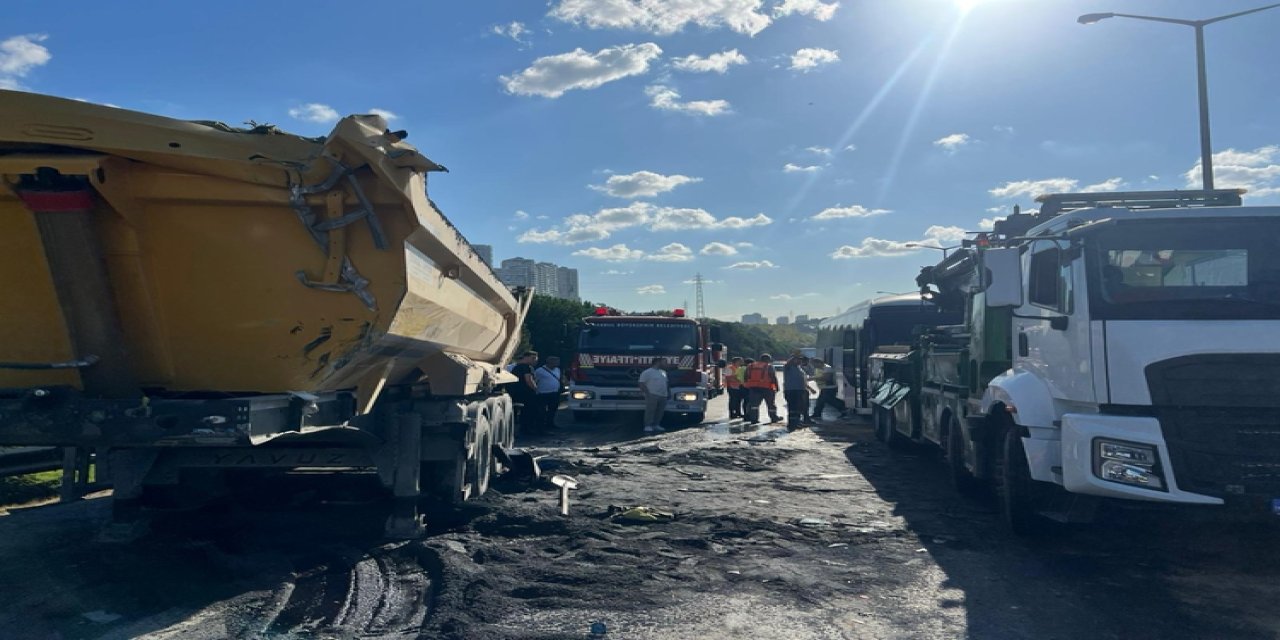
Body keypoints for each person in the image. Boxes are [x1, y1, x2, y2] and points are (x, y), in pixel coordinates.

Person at [508, 351, 540, 434]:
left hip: (517, 393)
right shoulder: (526, 367)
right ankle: (526, 429)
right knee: (528, 412)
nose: (535, 360)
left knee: (523, 412)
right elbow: (528, 380)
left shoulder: (516, 367)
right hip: (526, 394)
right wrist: (535, 389)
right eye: (533, 358)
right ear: (526, 357)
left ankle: (524, 428)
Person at [743, 354, 781, 424]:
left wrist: (747, 385)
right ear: (768, 360)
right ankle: (773, 418)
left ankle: (754, 419)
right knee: (770, 404)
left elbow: (745, 377)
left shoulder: (750, 366)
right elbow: (773, 377)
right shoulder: (769, 366)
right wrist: (777, 387)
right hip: (767, 388)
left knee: (754, 405)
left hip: (753, 388)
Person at [783, 354, 817, 430]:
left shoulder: (800, 369)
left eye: (800, 359)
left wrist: (809, 389)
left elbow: (804, 381)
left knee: (798, 408)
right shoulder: (788, 367)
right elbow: (788, 363)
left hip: (800, 391)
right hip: (791, 390)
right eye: (797, 359)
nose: (800, 361)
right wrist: (795, 355)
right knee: (792, 408)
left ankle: (797, 422)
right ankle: (792, 424)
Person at [533, 355, 565, 432]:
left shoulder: (557, 370)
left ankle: (550, 423)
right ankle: (540, 426)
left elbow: (560, 379)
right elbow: (535, 381)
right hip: (543, 394)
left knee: (553, 410)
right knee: (541, 411)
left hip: (554, 393)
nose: (558, 363)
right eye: (556, 362)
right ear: (550, 362)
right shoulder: (539, 371)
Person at [638, 357, 669, 433]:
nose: (665, 364)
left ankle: (656, 425)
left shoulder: (663, 372)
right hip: (652, 394)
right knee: (650, 410)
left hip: (663, 395)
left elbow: (666, 383)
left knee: (660, 411)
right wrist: (647, 393)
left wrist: (668, 392)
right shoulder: (647, 372)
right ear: (657, 362)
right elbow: (641, 383)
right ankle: (647, 425)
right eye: (663, 362)